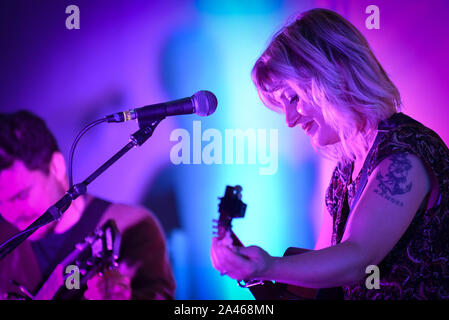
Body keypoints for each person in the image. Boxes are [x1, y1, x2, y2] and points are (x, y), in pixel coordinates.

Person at [211, 8, 449, 299]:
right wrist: (251, 267)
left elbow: (358, 258)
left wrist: (267, 266)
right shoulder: (345, 171)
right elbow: (327, 281)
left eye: (294, 98)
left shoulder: (405, 154)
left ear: (334, 73)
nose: (289, 119)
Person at [0, 110, 176, 300]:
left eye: (20, 196)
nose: (11, 213)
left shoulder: (132, 227)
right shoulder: (5, 245)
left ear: (56, 167)